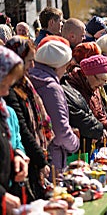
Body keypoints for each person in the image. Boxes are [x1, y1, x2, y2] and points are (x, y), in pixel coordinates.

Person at [4, 37, 53, 201]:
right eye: (29, 61)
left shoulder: (25, 84)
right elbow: (23, 130)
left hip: (28, 159)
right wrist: (41, 159)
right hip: (23, 167)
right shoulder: (10, 90)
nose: (32, 66)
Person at [29, 37, 80, 171]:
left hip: (35, 155)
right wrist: (75, 143)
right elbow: (60, 130)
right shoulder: (51, 88)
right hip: (51, 159)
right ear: (60, 65)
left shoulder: (29, 78)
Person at [0, 46, 29, 213]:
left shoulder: (4, 111)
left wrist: (17, 156)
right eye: (4, 84)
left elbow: (11, 142)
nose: (6, 91)